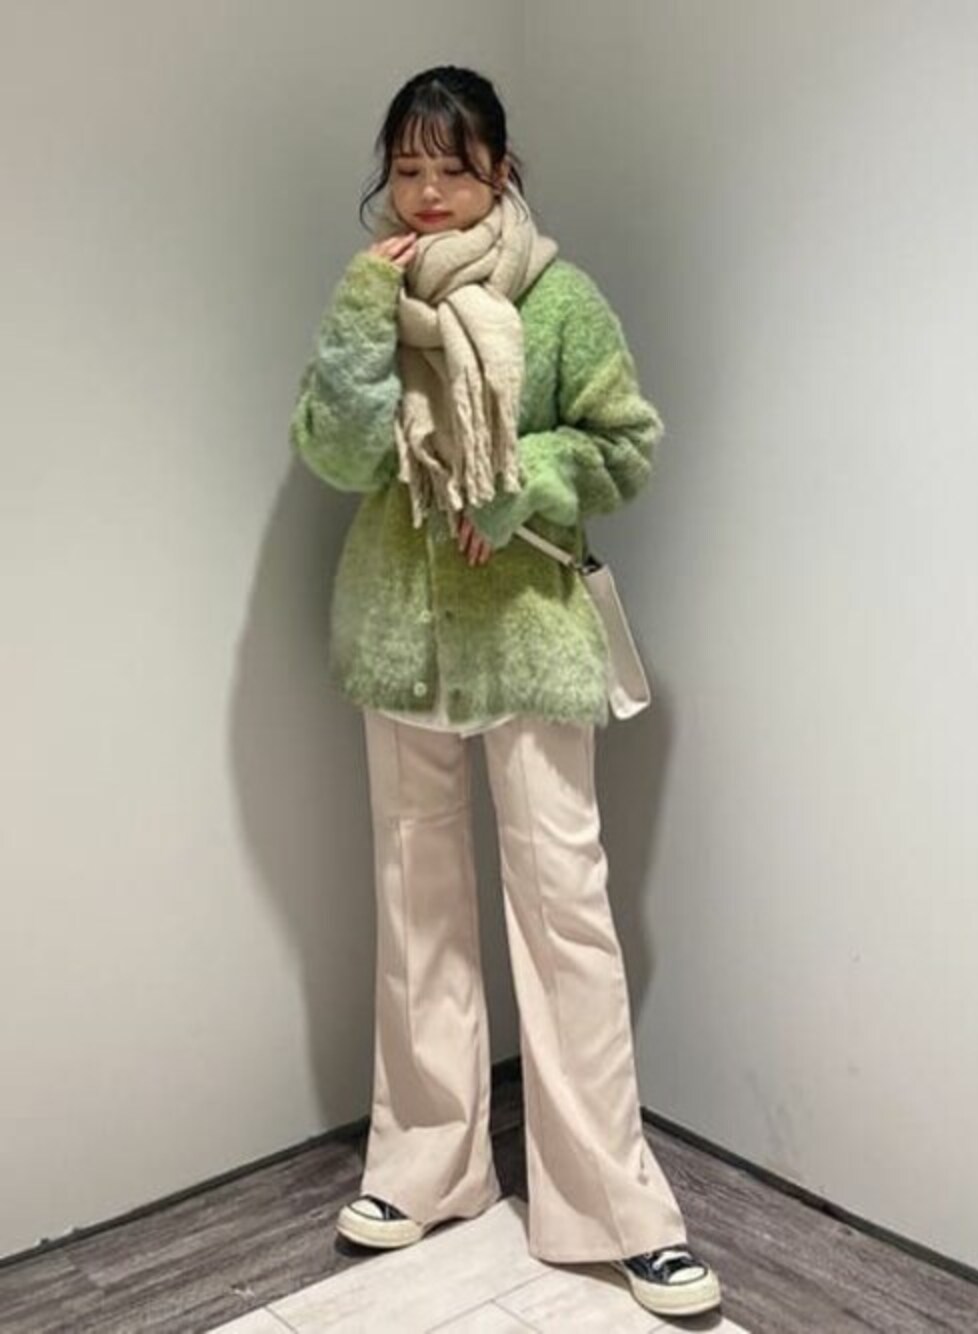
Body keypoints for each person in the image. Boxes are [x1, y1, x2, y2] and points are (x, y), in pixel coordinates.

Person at [288, 64, 723, 1320]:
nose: (428, 193)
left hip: (527, 637)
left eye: (454, 167)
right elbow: (335, 452)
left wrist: (518, 475)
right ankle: (426, 1167)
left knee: (565, 913)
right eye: (407, 168)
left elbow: (624, 443)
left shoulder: (559, 295)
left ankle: (617, 1209)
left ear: (500, 170)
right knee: (415, 908)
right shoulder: (375, 295)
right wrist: (358, 319)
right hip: (404, 639)